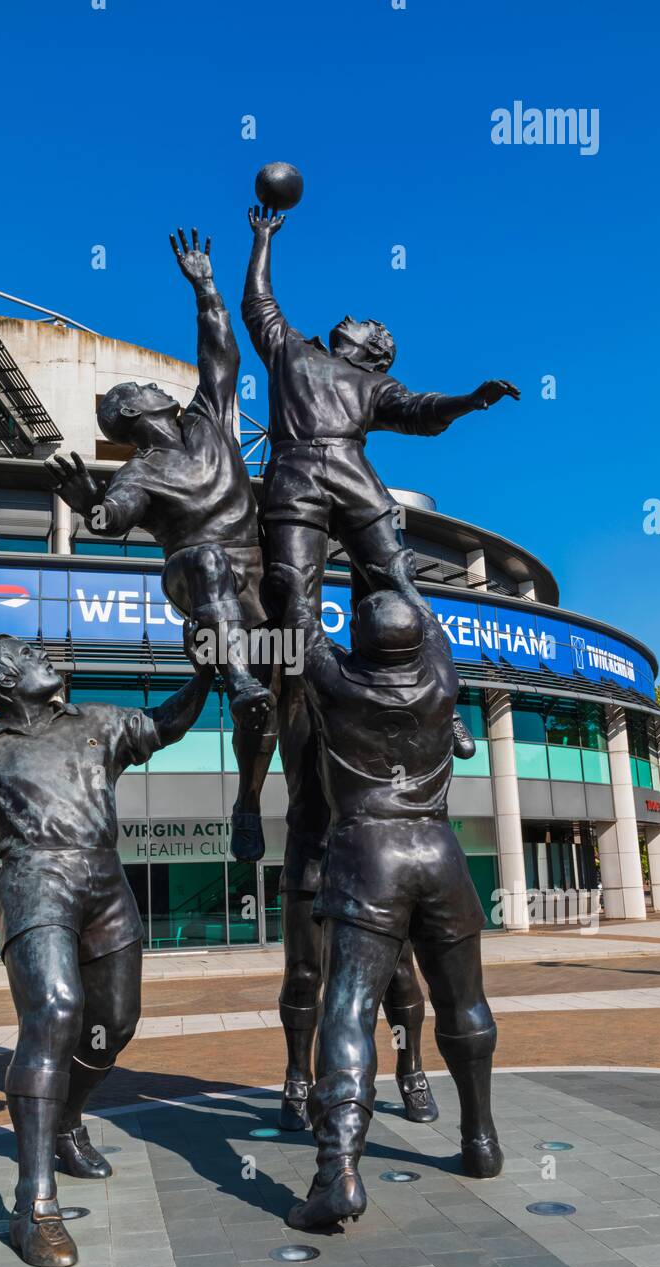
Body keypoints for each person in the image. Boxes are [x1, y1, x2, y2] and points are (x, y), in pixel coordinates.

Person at [243, 207, 511, 1129]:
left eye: (386, 350)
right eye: (373, 340)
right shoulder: (292, 355)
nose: (380, 351)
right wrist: (264, 236)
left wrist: (470, 402)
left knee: (400, 581)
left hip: (353, 475)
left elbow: (423, 412)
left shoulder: (372, 389)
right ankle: (281, 674)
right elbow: (259, 306)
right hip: (295, 475)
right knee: (289, 587)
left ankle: (446, 709)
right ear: (342, 337)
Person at [0, 632, 214, 1267]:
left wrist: (206, 676)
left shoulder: (98, 722)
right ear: (1, 680)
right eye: (30, 655)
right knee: (53, 1012)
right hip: (35, 882)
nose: (48, 657)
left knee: (113, 1024)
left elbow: (165, 725)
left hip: (106, 884)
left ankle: (67, 1124)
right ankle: (34, 1207)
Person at [265, 552, 502, 1232]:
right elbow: (423, 615)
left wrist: (302, 553)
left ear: (361, 642)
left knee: (346, 1008)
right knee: (467, 1002)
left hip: (370, 852)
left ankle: (337, 1169)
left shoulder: (334, 683)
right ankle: (480, 1140)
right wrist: (384, 560)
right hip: (440, 852)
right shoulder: (440, 679)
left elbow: (299, 616)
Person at [47, 228, 276, 864]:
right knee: (206, 563)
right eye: (145, 389)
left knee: (294, 673)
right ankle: (238, 679)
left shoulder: (207, 420)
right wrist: (87, 502)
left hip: (259, 585)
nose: (158, 388)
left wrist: (206, 287)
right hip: (199, 588)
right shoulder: (138, 473)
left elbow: (220, 357)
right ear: (133, 410)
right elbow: (112, 520)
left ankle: (248, 800)